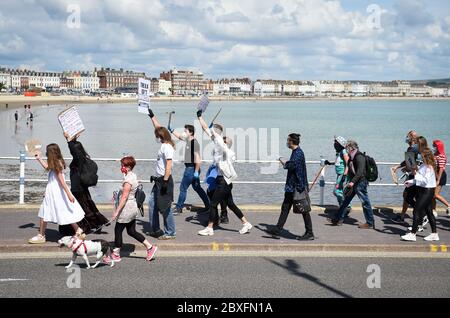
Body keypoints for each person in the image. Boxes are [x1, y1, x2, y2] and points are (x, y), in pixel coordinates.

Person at [196, 110, 252, 236]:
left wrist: (214, 131)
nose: (216, 138)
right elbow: (206, 129)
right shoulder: (220, 148)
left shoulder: (223, 148)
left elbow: (216, 137)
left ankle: (209, 228)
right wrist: (199, 117)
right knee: (231, 204)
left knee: (213, 204)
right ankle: (246, 223)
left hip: (223, 182)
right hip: (224, 181)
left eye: (221, 138)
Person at [28, 144, 85, 244]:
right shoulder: (56, 162)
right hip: (54, 192)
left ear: (50, 153)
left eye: (47, 151)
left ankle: (41, 235)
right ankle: (78, 231)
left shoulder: (57, 163)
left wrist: (69, 194)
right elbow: (47, 167)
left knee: (46, 212)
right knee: (63, 211)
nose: (46, 153)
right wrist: (39, 159)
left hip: (55, 192)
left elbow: (61, 181)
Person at [107, 156, 158, 262]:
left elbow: (125, 197)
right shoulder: (132, 175)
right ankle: (150, 247)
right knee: (131, 231)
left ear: (128, 167)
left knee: (118, 230)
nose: (121, 167)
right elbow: (127, 192)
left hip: (126, 209)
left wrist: (116, 212)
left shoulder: (128, 180)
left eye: (123, 166)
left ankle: (116, 254)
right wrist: (118, 194)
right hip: (132, 207)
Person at [267, 133, 314, 240]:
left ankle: (310, 233)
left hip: (297, 187)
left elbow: (289, 165)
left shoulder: (298, 154)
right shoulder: (295, 152)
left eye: (288, 140)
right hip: (292, 186)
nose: (287, 142)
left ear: (292, 141)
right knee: (285, 208)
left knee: (304, 210)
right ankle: (277, 230)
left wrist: (280, 159)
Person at [60, 132, 109, 235]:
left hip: (77, 187)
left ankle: (86, 226)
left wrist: (69, 141)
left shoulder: (79, 159)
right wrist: (72, 139)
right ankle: (97, 224)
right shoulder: (82, 159)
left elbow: (73, 151)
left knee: (81, 208)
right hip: (81, 187)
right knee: (87, 206)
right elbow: (74, 151)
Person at [329, 140, 375, 229]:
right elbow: (350, 169)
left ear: (351, 147)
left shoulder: (359, 157)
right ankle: (338, 219)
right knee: (345, 200)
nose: (346, 148)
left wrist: (352, 182)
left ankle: (369, 222)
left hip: (360, 182)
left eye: (347, 147)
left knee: (365, 202)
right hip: (354, 182)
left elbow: (360, 172)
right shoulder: (351, 156)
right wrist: (346, 180)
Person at [147, 108, 176, 240]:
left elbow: (169, 165)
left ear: (161, 137)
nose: (155, 138)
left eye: (156, 136)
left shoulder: (167, 147)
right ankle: (156, 229)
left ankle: (170, 232)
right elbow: (159, 127)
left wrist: (164, 181)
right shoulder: (164, 143)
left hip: (164, 181)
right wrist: (151, 116)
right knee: (152, 203)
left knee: (165, 206)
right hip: (158, 180)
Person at [168, 124, 210, 215]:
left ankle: (179, 208)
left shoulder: (194, 143)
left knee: (183, 188)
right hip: (191, 169)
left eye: (185, 131)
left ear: (190, 132)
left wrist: (195, 172)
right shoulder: (188, 140)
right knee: (197, 188)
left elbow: (198, 159)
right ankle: (209, 206)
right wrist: (172, 130)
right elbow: (179, 137)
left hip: (191, 169)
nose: (184, 132)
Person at [401, 148, 439, 242]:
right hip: (423, 190)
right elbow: (420, 179)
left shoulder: (429, 167)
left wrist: (414, 173)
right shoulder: (423, 165)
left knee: (416, 211)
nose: (420, 157)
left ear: (426, 156)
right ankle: (434, 234)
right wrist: (411, 181)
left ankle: (413, 234)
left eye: (421, 156)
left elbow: (424, 180)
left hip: (427, 191)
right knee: (429, 212)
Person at [391, 131, 419, 223]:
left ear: (412, 138)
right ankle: (404, 215)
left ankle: (421, 215)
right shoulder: (417, 147)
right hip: (419, 176)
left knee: (407, 196)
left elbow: (410, 163)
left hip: (414, 176)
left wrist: (406, 168)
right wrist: (398, 166)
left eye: (407, 136)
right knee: (412, 196)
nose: (406, 138)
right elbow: (408, 160)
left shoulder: (412, 149)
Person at [324, 136, 351, 214]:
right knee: (341, 192)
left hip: (343, 175)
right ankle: (343, 208)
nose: (334, 144)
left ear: (340, 144)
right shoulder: (339, 153)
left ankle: (346, 206)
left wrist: (345, 175)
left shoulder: (344, 152)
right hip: (339, 175)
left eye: (336, 142)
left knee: (336, 191)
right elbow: (339, 162)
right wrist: (329, 163)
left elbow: (348, 164)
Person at [432, 140, 449, 216]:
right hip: (435, 175)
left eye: (434, 146)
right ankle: (433, 211)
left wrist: (438, 180)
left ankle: (448, 205)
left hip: (440, 176)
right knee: (432, 195)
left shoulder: (441, 156)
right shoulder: (435, 154)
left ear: (438, 147)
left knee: (435, 195)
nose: (433, 147)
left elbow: (441, 168)